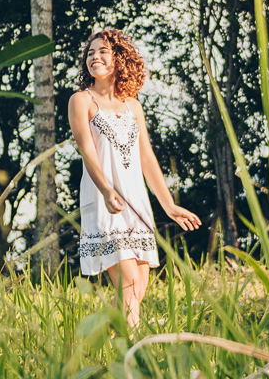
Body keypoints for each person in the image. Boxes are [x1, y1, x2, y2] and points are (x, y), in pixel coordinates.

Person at [68, 29, 202, 329]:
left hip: (136, 202)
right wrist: (105, 189)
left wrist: (168, 205)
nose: (94, 57)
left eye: (102, 51)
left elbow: (147, 158)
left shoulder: (133, 105)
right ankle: (130, 360)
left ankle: (109, 351)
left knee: (138, 286)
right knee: (127, 282)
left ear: (120, 58)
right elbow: (86, 151)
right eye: (90, 53)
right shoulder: (81, 100)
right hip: (104, 200)